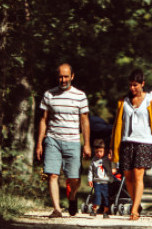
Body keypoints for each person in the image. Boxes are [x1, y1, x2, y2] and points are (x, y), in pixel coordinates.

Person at [35, 62, 90, 218]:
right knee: (53, 175)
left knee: (74, 178)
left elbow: (85, 121)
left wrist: (87, 144)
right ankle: (57, 209)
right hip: (53, 139)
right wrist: (39, 143)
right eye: (60, 77)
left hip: (73, 140)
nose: (63, 80)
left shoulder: (80, 96)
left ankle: (72, 196)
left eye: (66, 77)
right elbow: (43, 120)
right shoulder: (49, 94)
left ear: (72, 76)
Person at [109, 68, 152, 221]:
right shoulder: (123, 101)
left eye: (135, 85)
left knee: (138, 175)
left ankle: (134, 210)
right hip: (126, 141)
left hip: (144, 142)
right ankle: (136, 203)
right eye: (130, 85)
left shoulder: (150, 99)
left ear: (142, 84)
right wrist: (112, 146)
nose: (132, 88)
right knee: (128, 177)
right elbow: (117, 125)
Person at [86, 139, 113, 216]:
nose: (99, 154)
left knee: (106, 196)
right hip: (97, 181)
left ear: (105, 151)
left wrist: (111, 178)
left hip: (105, 181)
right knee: (97, 195)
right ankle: (94, 210)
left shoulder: (107, 160)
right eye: (97, 152)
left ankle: (106, 211)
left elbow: (111, 169)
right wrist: (90, 180)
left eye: (101, 151)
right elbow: (90, 171)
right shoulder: (94, 160)